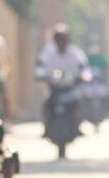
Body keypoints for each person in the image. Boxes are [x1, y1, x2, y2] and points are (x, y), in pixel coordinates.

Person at [35, 24, 91, 152]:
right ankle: (46, 127)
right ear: (55, 40)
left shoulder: (75, 52)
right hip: (54, 88)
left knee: (78, 102)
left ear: (68, 40)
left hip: (70, 88)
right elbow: (40, 66)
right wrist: (41, 74)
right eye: (59, 40)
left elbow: (84, 67)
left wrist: (84, 76)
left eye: (64, 40)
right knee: (46, 104)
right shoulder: (48, 52)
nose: (61, 43)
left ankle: (77, 126)